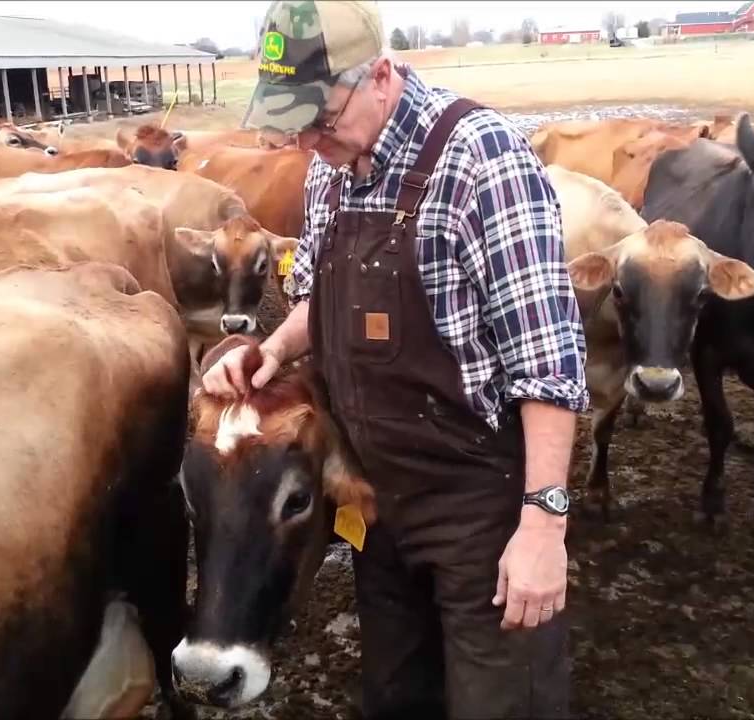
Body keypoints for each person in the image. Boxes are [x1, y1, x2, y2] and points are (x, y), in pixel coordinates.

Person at [201, 1, 589, 718]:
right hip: (377, 505)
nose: (312, 139)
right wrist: (271, 352)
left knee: (502, 704)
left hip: (479, 510)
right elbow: (319, 302)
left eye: (323, 116)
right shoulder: (330, 173)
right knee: (394, 698)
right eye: (297, 122)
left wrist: (543, 525)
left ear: (380, 75)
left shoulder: (484, 161)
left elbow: (549, 363)